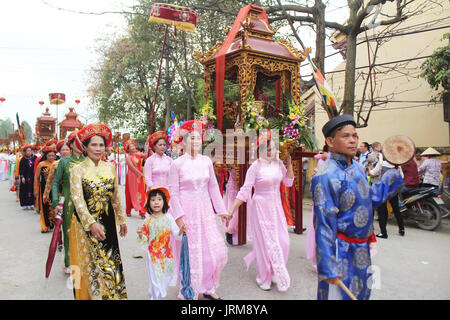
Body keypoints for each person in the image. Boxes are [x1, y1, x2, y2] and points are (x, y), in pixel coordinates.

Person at [311, 115, 403, 300]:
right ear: (330, 141)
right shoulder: (325, 175)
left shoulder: (357, 168)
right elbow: (323, 226)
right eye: (346, 136)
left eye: (355, 135)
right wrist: (329, 266)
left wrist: (394, 170)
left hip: (362, 249)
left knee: (362, 294)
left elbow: (372, 199)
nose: (353, 140)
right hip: (341, 250)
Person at [167, 120, 229, 300]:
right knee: (189, 252)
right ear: (183, 142)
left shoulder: (206, 162)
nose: (195, 142)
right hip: (187, 212)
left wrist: (222, 210)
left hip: (206, 211)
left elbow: (213, 188)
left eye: (198, 138)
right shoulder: (176, 164)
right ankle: (189, 288)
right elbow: (173, 192)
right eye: (191, 139)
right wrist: (179, 218)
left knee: (212, 251)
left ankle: (208, 286)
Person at [227, 130, 294, 292]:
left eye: (274, 149)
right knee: (264, 244)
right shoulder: (255, 167)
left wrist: (289, 163)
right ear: (260, 150)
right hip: (260, 207)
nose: (272, 152)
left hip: (276, 207)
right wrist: (231, 210)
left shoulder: (278, 164)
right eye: (269, 149)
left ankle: (274, 272)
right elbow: (244, 190)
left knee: (284, 241)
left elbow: (289, 182)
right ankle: (264, 276)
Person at [69, 123, 128, 300]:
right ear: (85, 147)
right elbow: (78, 201)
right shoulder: (77, 170)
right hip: (85, 226)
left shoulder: (109, 167)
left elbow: (116, 197)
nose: (98, 148)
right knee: (90, 269)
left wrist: (122, 219)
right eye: (94, 145)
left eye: (101, 145)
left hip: (108, 223)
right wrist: (91, 223)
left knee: (111, 266)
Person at [137, 187, 185, 300]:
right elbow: (144, 240)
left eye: (159, 199)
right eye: (153, 200)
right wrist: (140, 234)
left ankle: (154, 294)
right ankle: (156, 297)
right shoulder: (148, 221)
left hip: (166, 256)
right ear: (149, 203)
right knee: (155, 280)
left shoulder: (169, 218)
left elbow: (177, 235)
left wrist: (181, 231)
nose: (156, 202)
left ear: (164, 202)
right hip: (153, 256)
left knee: (164, 278)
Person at [51, 132, 85, 274]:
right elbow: (54, 183)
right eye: (77, 141)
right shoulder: (64, 162)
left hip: (84, 200)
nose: (81, 144)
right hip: (68, 199)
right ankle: (68, 262)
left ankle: (83, 262)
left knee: (84, 231)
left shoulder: (88, 161)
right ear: (71, 144)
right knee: (68, 231)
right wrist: (55, 203)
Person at [306, 145, 329, 271]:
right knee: (318, 228)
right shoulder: (322, 160)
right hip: (321, 198)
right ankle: (318, 260)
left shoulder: (331, 160)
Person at [34, 145, 57, 233]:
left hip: (55, 188)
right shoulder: (41, 164)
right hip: (44, 188)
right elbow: (36, 178)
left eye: (53, 155)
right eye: (49, 155)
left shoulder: (57, 163)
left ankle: (54, 225)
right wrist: (36, 189)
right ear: (46, 156)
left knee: (55, 206)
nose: (51, 157)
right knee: (45, 206)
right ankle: (45, 226)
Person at [124, 139, 147, 218]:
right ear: (128, 149)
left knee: (141, 192)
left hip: (139, 177)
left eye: (133, 146)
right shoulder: (128, 157)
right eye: (131, 147)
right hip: (131, 176)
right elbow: (131, 167)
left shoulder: (138, 154)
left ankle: (142, 211)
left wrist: (147, 146)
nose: (133, 147)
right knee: (130, 193)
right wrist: (139, 173)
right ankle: (128, 210)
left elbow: (146, 155)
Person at [19, 144, 36, 210]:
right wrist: (22, 177)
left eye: (30, 151)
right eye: (27, 151)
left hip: (32, 176)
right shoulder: (23, 159)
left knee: (32, 189)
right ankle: (25, 204)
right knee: (25, 190)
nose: (28, 152)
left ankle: (32, 204)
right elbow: (21, 169)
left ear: (32, 151)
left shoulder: (34, 158)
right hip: (25, 177)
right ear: (25, 152)